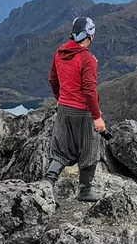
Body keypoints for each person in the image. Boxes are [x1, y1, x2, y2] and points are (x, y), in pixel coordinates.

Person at [44, 15, 105, 202]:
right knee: (89, 148)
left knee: (61, 149)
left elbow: (53, 79)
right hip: (83, 112)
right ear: (90, 35)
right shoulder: (88, 59)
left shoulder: (60, 53)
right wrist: (97, 117)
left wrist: (60, 98)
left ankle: (47, 184)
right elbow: (89, 90)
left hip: (63, 108)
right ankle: (85, 191)